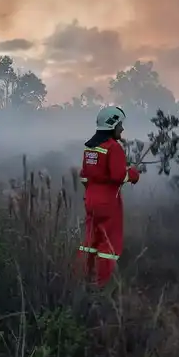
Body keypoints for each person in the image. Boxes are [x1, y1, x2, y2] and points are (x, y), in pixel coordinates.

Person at [77, 106, 140, 287]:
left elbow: (84, 175)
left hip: (90, 201)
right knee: (108, 244)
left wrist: (93, 188)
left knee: (89, 240)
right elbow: (118, 176)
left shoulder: (90, 148)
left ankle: (81, 278)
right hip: (108, 203)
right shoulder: (114, 148)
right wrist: (133, 175)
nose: (122, 128)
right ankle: (101, 285)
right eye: (120, 124)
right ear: (112, 125)